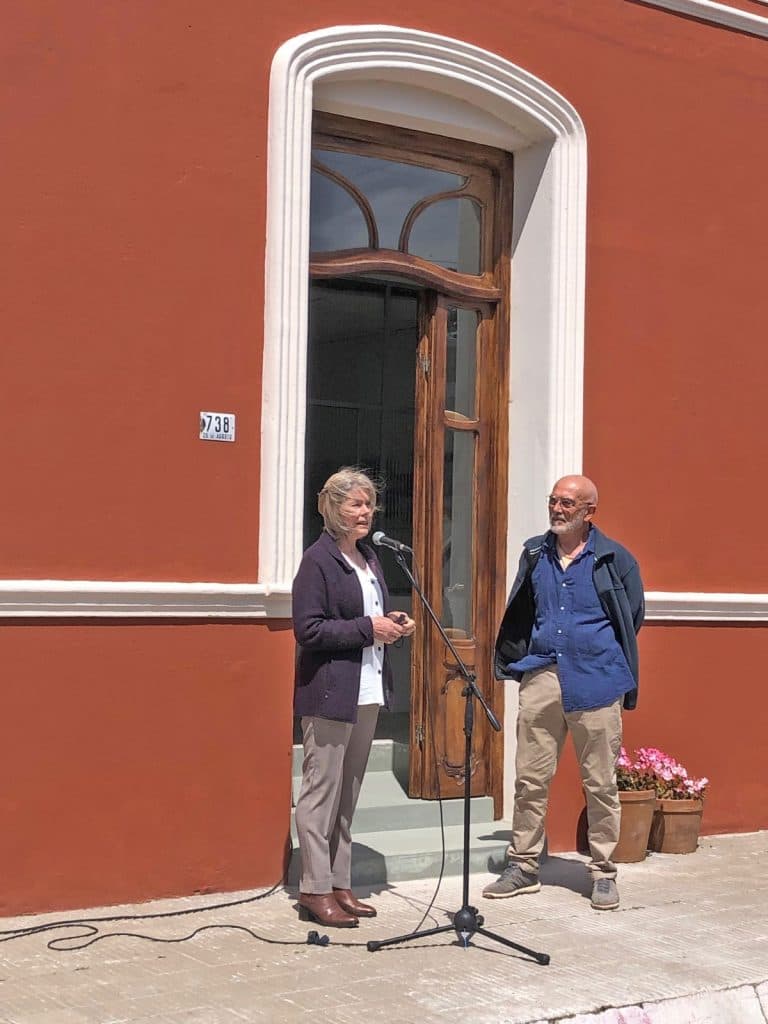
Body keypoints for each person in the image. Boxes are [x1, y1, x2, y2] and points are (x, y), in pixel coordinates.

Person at [483, 475, 644, 911]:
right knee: (529, 778)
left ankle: (603, 871)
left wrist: (598, 649)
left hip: (597, 679)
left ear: (589, 512)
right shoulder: (535, 553)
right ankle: (523, 865)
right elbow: (523, 608)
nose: (557, 509)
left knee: (600, 782)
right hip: (542, 676)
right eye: (553, 500)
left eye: (568, 503)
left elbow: (632, 614)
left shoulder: (614, 559)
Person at [292, 467, 415, 927]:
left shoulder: (368, 558)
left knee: (348, 794)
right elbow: (309, 629)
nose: (366, 512)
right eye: (357, 504)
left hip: (367, 690)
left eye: (369, 505)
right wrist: (369, 628)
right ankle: (314, 889)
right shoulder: (318, 561)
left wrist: (392, 622)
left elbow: (368, 616)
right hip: (330, 693)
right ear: (334, 508)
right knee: (320, 793)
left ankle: (340, 883)